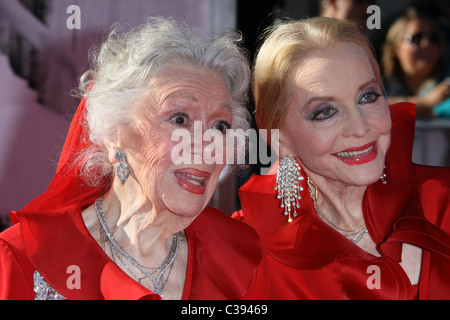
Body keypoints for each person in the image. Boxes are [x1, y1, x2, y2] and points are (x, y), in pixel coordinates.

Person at [0, 17, 267, 300]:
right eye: (179, 119)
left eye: (219, 126)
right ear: (116, 133)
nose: (206, 146)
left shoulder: (242, 261)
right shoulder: (24, 259)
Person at [234, 17, 450, 299]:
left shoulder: (443, 203)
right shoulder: (243, 250)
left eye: (368, 97)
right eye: (325, 112)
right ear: (279, 138)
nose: (361, 128)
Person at [381, 7, 450, 118]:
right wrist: (426, 103)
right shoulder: (377, 85)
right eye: (416, 38)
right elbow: (368, 108)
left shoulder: (447, 86)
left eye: (433, 38)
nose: (426, 44)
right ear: (395, 48)